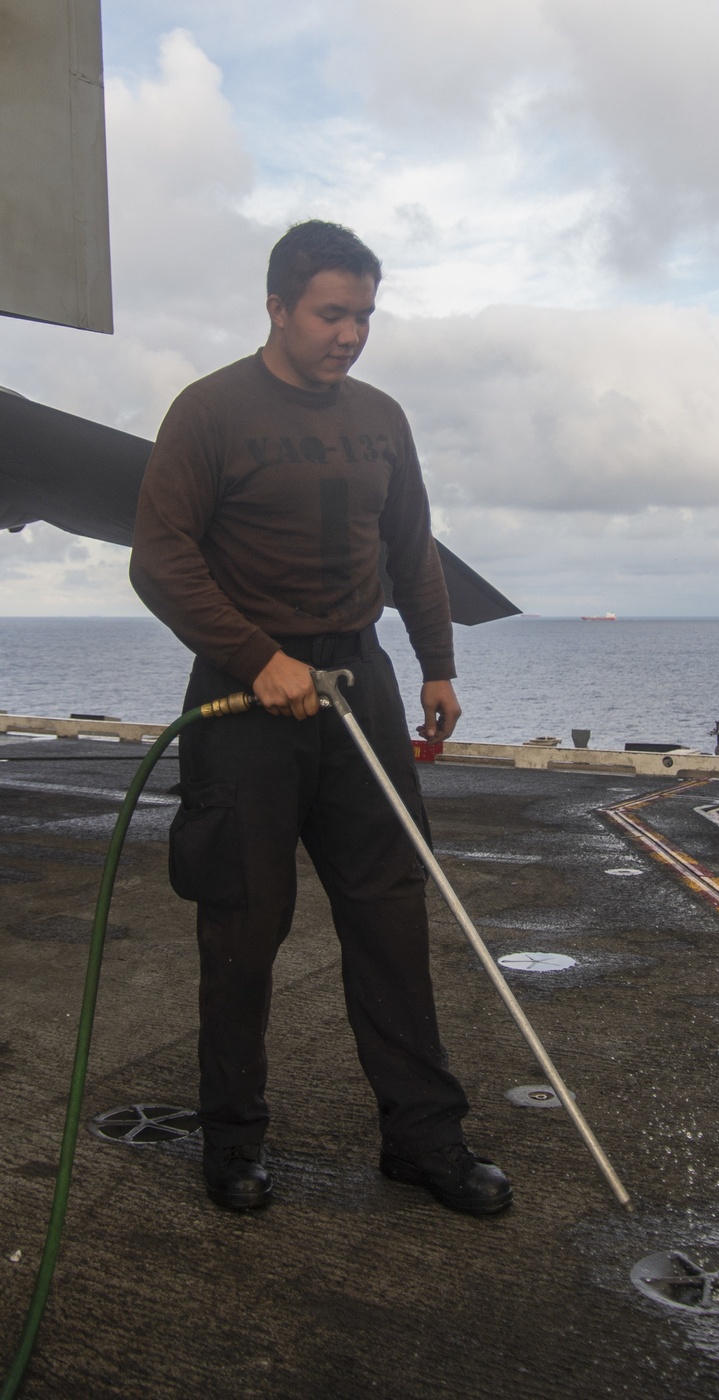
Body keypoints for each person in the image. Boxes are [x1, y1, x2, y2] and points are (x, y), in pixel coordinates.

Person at [129, 220, 512, 1216]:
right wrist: (259, 658)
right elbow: (160, 556)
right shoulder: (210, 411)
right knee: (243, 925)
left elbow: (411, 544)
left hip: (361, 686)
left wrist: (436, 664)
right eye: (331, 313)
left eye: (364, 315)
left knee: (390, 911)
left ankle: (423, 1138)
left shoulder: (383, 416)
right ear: (277, 307)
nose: (349, 333)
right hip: (244, 695)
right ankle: (234, 1141)